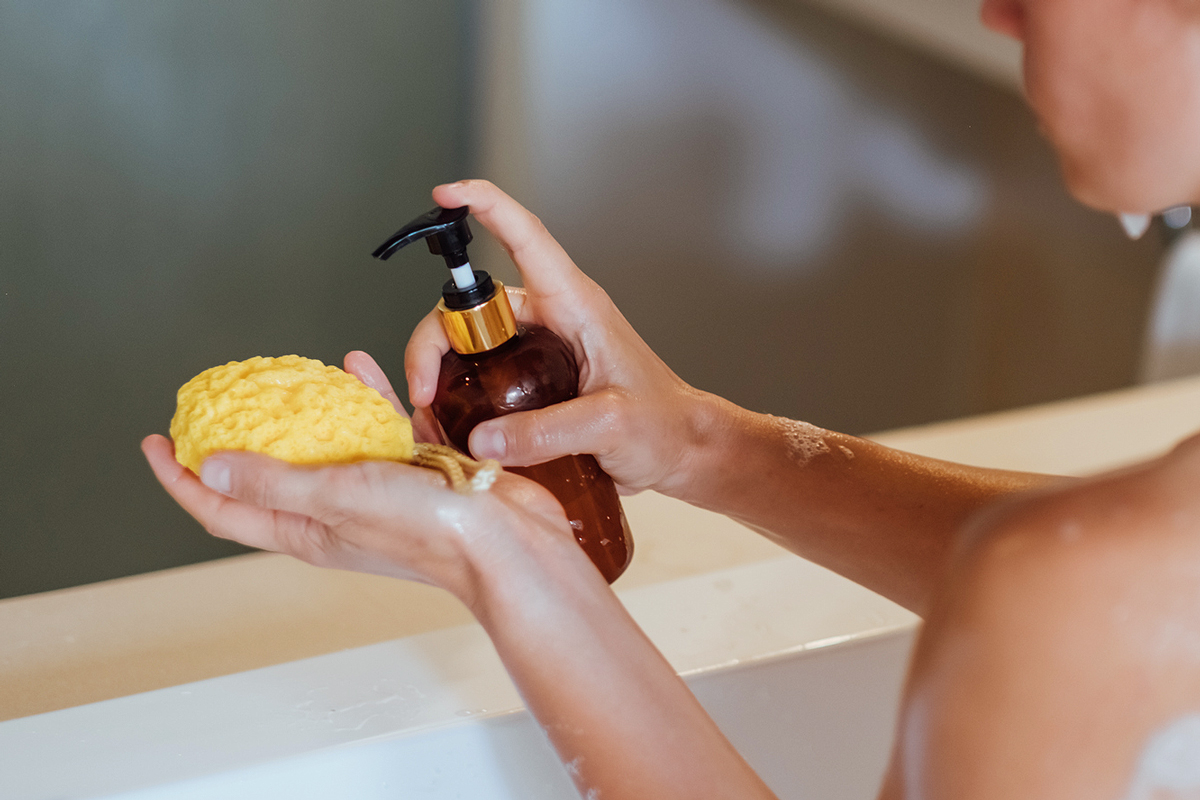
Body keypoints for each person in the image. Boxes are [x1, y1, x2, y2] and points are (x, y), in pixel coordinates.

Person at [142, 0, 1200, 796]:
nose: (997, 10)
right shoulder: (1099, 578)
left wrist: (504, 560)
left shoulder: (1076, 596)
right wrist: (703, 441)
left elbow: (1090, 595)